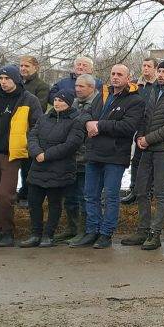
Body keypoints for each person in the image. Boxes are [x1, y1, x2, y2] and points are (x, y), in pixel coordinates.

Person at [68, 64, 143, 249]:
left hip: (115, 156)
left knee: (110, 197)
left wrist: (99, 126)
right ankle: (92, 231)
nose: (115, 77)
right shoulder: (103, 95)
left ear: (128, 78)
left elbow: (127, 127)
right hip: (94, 153)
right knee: (90, 195)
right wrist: (88, 124)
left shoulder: (135, 100)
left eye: (120, 74)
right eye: (113, 74)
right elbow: (84, 115)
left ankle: (106, 234)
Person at [121, 59, 164, 250]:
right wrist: (140, 136)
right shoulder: (153, 90)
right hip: (147, 148)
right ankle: (142, 230)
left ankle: (155, 233)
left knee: (160, 192)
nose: (160, 75)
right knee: (141, 190)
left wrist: (148, 139)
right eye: (159, 71)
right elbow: (145, 116)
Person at [0, 65, 43, 247]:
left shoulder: (29, 100)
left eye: (8, 79)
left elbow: (37, 125)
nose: (4, 82)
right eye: (2, 79)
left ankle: (7, 231)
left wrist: (27, 145)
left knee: (5, 195)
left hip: (11, 154)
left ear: (16, 80)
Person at [21, 90, 85, 247]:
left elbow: (71, 145)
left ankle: (48, 235)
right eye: (55, 99)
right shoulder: (44, 118)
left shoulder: (76, 121)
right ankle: (35, 234)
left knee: (54, 203)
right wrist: (36, 152)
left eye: (61, 100)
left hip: (59, 168)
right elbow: (32, 136)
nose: (57, 103)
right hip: (38, 167)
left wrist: (47, 155)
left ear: (69, 103)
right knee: (34, 202)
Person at [59, 74, 98, 243]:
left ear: (91, 87)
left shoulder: (97, 104)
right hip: (70, 158)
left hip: (87, 156)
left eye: (81, 86)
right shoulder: (73, 103)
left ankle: (84, 230)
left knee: (85, 197)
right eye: (76, 86)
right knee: (70, 197)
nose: (77, 89)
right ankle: (72, 228)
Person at [120, 57, 160, 206]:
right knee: (136, 159)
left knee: (151, 161)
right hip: (134, 126)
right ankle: (134, 190)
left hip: (152, 127)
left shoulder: (158, 85)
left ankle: (149, 190)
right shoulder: (136, 85)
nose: (145, 68)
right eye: (144, 65)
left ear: (155, 68)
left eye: (149, 66)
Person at [17, 56, 50, 207]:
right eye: (21, 65)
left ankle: (28, 195)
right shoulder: (15, 83)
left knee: (27, 166)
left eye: (27, 66)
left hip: (29, 131)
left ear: (35, 67)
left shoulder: (41, 86)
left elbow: (39, 108)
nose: (23, 68)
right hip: (12, 132)